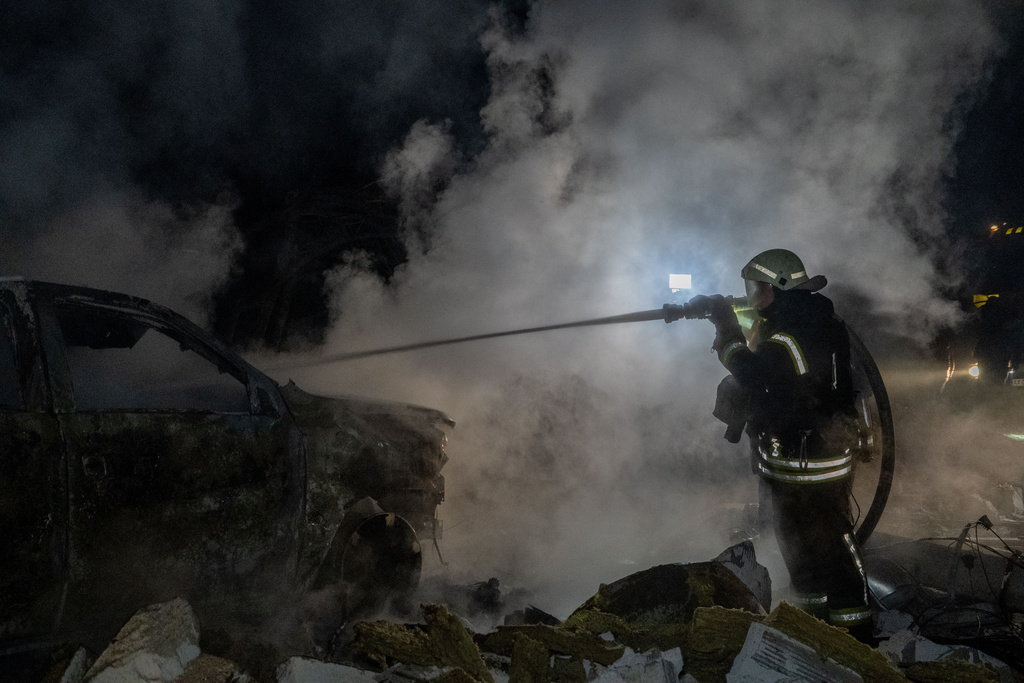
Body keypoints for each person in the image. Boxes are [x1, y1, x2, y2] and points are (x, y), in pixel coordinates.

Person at [686, 248, 873, 639]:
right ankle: (813, 627)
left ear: (777, 287)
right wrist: (717, 307)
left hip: (811, 465)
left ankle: (856, 637)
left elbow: (752, 373)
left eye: (756, 288)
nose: (751, 295)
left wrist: (726, 330)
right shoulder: (801, 317)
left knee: (830, 552)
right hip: (792, 462)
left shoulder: (793, 334)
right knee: (800, 552)